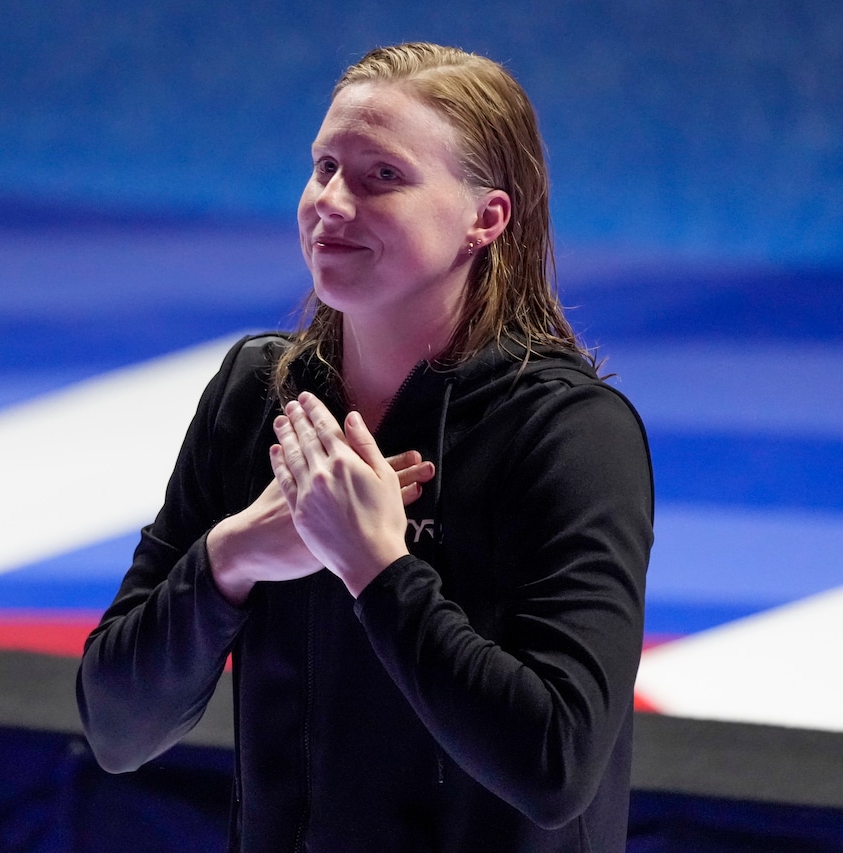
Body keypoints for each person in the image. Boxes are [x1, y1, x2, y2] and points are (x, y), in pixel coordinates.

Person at [78, 42, 653, 852]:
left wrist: (377, 569)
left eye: (383, 176)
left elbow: (554, 767)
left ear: (485, 218)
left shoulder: (569, 434)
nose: (331, 204)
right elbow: (116, 726)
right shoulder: (260, 396)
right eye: (324, 167)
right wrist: (232, 557)